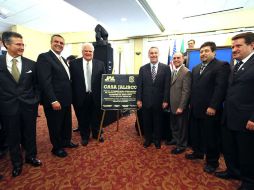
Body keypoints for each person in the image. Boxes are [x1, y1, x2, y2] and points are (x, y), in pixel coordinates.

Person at [214, 32, 254, 190]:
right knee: (230, 148)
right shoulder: (235, 65)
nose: (234, 49)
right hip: (229, 116)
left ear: (252, 45)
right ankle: (232, 171)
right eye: (233, 46)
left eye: (238, 46)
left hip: (246, 119)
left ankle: (249, 181)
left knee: (247, 153)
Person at [0, 31, 42, 177]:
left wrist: (35, 100)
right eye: (18, 44)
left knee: (30, 133)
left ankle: (31, 157)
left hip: (28, 106)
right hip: (7, 108)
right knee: (12, 137)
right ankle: (17, 164)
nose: (22, 47)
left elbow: (37, 85)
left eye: (23, 44)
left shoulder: (32, 64)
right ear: (6, 44)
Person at [186, 42, 230, 174]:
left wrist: (213, 106)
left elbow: (220, 88)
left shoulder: (221, 66)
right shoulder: (195, 68)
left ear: (214, 52)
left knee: (211, 137)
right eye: (201, 51)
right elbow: (193, 88)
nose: (203, 54)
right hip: (195, 108)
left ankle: (212, 162)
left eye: (206, 51)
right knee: (196, 133)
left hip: (210, 110)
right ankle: (198, 152)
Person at [37, 34, 78, 158]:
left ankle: (66, 141)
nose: (59, 44)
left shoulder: (63, 59)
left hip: (66, 99)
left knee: (66, 123)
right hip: (55, 101)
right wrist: (53, 100)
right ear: (51, 43)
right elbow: (45, 81)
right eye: (56, 42)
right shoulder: (44, 57)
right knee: (55, 125)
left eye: (61, 43)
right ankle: (57, 147)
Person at [69, 43, 105, 146]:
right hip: (80, 96)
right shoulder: (74, 64)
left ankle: (96, 134)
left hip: (96, 96)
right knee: (82, 117)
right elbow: (70, 81)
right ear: (82, 52)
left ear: (93, 52)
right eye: (86, 51)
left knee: (96, 117)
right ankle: (84, 137)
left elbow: (104, 81)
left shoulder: (100, 64)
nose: (88, 53)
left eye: (90, 51)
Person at [137, 47, 171, 149]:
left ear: (158, 54)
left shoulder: (166, 68)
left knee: (158, 121)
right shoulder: (143, 69)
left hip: (159, 101)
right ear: (148, 55)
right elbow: (140, 85)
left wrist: (166, 100)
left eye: (155, 53)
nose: (153, 55)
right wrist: (138, 99)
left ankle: (157, 140)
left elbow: (167, 86)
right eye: (151, 53)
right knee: (146, 121)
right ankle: (148, 139)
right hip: (146, 100)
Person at [169, 52, 191, 154]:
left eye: (178, 58)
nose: (176, 60)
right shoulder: (173, 71)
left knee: (182, 127)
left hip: (180, 106)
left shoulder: (186, 72)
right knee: (174, 125)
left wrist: (181, 107)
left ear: (183, 59)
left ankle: (181, 145)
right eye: (174, 58)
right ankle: (175, 139)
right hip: (172, 105)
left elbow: (186, 92)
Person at [66, 55, 80, 133]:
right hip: (72, 96)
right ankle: (80, 126)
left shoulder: (77, 69)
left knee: (82, 112)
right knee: (77, 112)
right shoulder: (67, 69)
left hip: (78, 94)